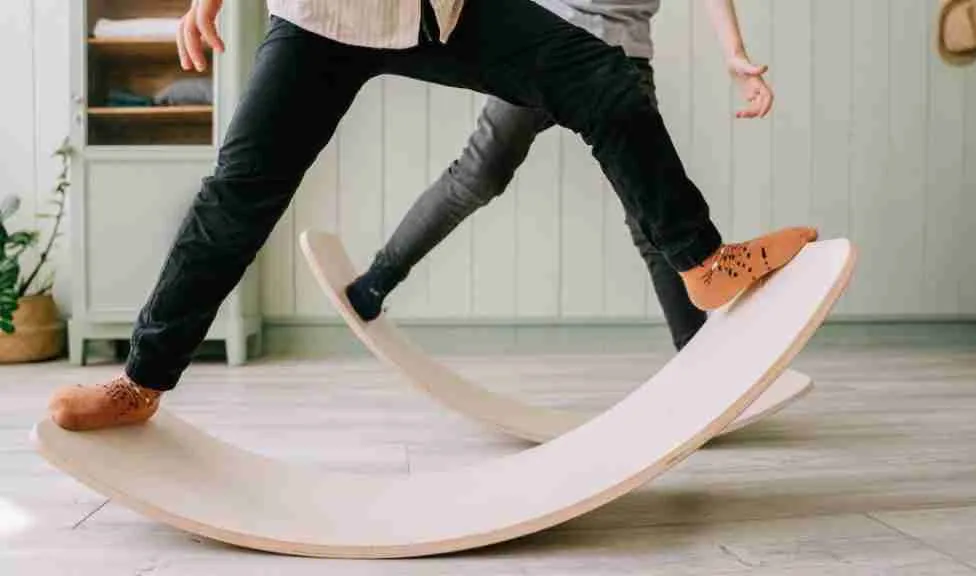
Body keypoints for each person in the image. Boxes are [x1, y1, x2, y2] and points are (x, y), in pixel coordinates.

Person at [47, 0, 816, 432]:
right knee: (240, 194)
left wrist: (734, 47)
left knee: (604, 83)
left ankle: (703, 264)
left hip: (439, 9)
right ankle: (142, 382)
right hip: (322, 16)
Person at [346, 0, 777, 352]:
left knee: (653, 217)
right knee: (478, 173)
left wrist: (734, 51)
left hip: (618, 58)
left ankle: (698, 357)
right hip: (547, 49)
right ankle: (377, 280)